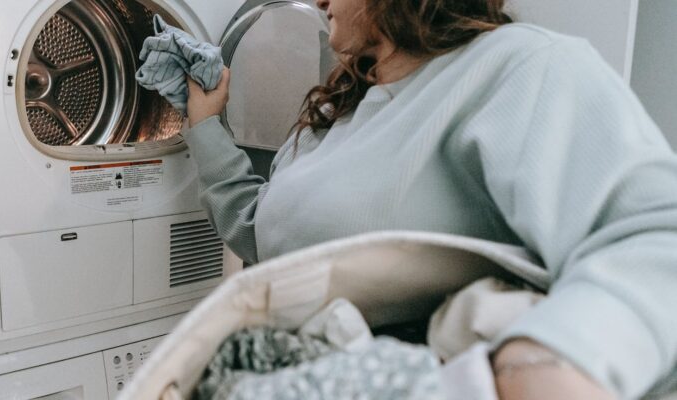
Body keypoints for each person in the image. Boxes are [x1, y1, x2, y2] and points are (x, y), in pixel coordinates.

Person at [180, 0, 677, 398]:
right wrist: (204, 124)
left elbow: (653, 236)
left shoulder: (515, 66)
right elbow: (261, 235)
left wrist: (546, 357)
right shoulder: (336, 112)